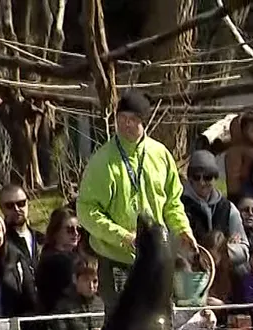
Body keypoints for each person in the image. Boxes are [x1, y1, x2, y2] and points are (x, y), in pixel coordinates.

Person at [77, 89, 195, 310]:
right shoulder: (102, 161)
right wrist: (122, 236)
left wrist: (182, 230)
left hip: (155, 255)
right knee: (121, 318)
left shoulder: (160, 155)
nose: (126, 124)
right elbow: (87, 211)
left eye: (133, 119)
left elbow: (172, 202)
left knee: (157, 315)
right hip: (116, 258)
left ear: (144, 122)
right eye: (121, 118)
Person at [180, 149, 248, 278]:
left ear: (215, 178)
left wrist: (222, 250)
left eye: (207, 177)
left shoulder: (228, 208)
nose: (202, 183)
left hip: (223, 270)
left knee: (242, 271)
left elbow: (244, 249)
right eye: (196, 177)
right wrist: (201, 254)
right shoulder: (180, 207)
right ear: (190, 179)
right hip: (191, 271)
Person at [35, 207, 88, 313]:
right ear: (56, 232)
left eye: (79, 229)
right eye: (70, 230)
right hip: (61, 315)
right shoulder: (55, 261)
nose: (76, 233)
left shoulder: (78, 257)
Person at [224, 112, 253, 197]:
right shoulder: (236, 151)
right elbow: (233, 176)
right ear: (243, 132)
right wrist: (234, 194)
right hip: (245, 189)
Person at [0, 184, 40, 266]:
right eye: (9, 206)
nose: (16, 209)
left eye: (21, 203)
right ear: (1, 208)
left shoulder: (41, 240)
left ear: (28, 203)